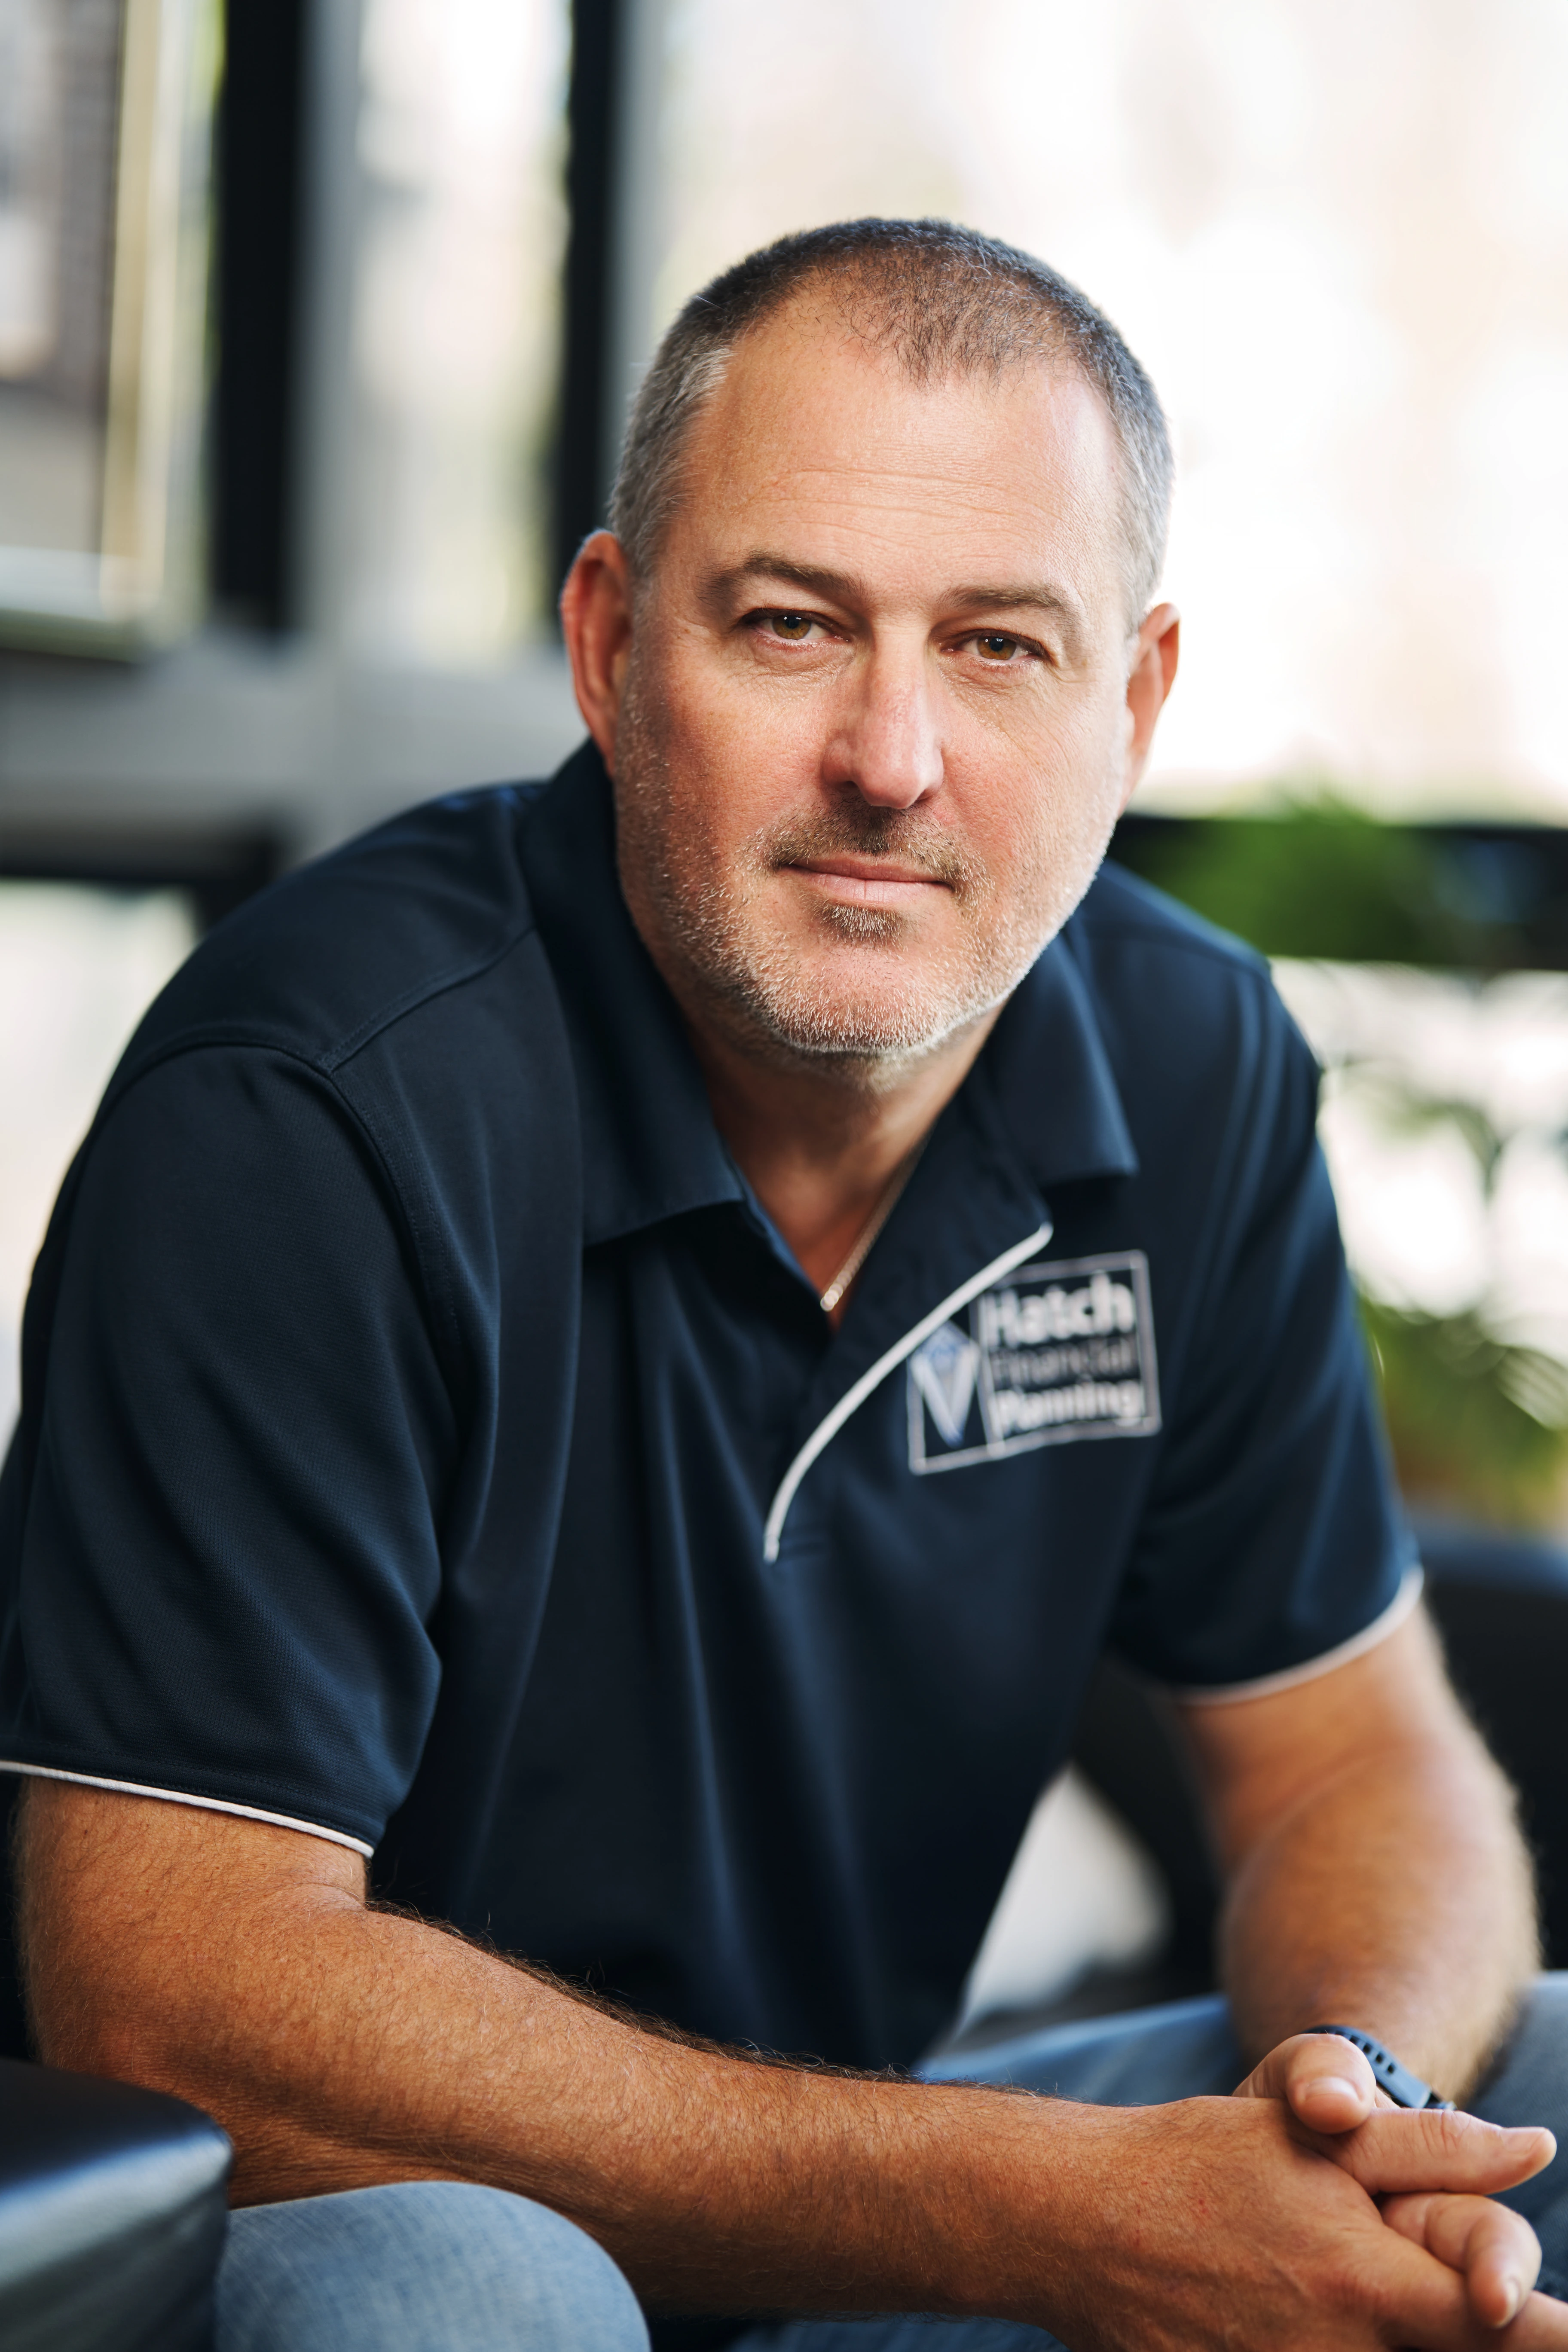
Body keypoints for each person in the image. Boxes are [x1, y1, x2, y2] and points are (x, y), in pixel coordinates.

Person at [3, 217, 1566, 2352]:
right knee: (482, 2288)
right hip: (361, 2212)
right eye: (792, 625)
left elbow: (1349, 1768)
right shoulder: (316, 1106)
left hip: (871, 2196)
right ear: (607, 642)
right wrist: (1048, 2215)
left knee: (1527, 2082)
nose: (891, 757)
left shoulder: (1191, 1059)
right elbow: (172, 1995)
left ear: (1134, 702)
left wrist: (1353, 2111)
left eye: (998, 646)